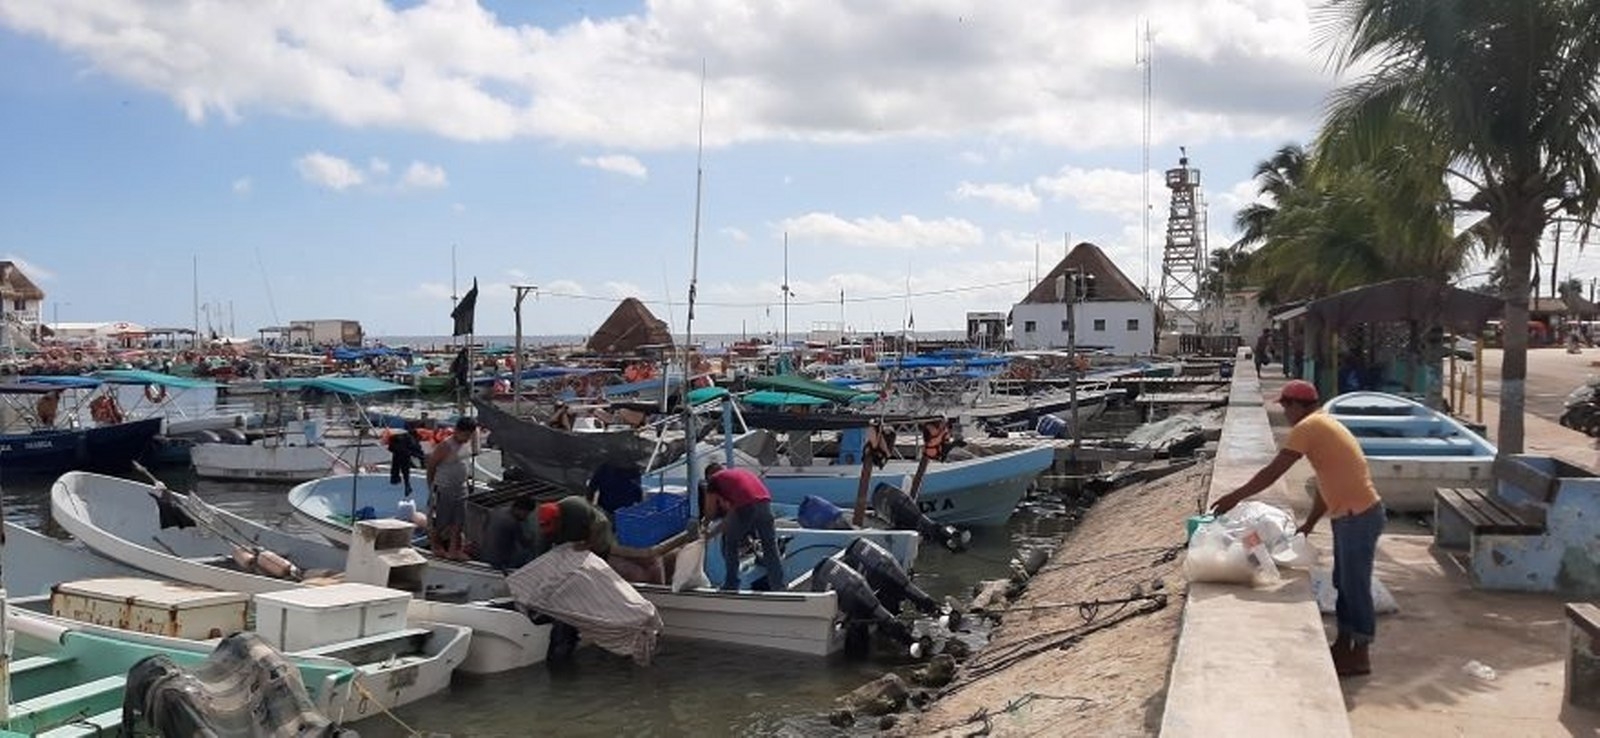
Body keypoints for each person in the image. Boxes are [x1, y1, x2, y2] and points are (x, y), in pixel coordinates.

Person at [1210, 379, 1384, 677]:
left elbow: (1272, 473)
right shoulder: (1323, 424)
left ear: (1296, 405)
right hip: (1352, 515)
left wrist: (1233, 497)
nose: (1285, 413)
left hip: (1359, 516)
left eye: (1286, 406)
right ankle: (1344, 646)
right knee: (1344, 582)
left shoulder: (1308, 428)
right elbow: (1324, 484)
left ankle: (1361, 654)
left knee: (1355, 586)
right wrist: (1310, 524)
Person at [702, 462, 784, 592]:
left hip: (746, 507)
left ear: (708, 477)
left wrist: (705, 526)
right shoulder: (739, 474)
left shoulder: (714, 480)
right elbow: (731, 515)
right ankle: (779, 586)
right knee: (770, 547)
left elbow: (710, 512)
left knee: (730, 543)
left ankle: (731, 584)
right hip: (765, 503)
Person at [426, 416, 478, 561]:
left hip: (461, 487)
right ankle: (436, 546)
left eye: (469, 435)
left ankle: (454, 549)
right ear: (457, 431)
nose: (467, 438)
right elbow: (431, 466)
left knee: (458, 521)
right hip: (444, 487)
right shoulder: (445, 446)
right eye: (465, 434)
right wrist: (431, 486)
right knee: (440, 520)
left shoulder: (467, 443)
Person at [536, 495, 614, 558]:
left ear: (558, 519)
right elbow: (544, 542)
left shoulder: (576, 514)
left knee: (599, 549)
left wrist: (587, 545)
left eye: (553, 525)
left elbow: (596, 527)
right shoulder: (546, 521)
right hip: (575, 530)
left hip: (596, 524)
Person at [481, 496, 538, 571]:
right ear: (520, 509)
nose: (526, 516)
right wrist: (533, 538)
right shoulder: (512, 522)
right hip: (500, 561)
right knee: (528, 554)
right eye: (526, 513)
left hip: (485, 554)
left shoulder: (496, 511)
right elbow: (524, 543)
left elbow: (484, 527)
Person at [388, 421, 426, 495]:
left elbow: (391, 447)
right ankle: (405, 484)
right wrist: (421, 458)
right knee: (405, 470)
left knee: (396, 466)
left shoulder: (399, 437)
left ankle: (395, 479)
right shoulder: (410, 438)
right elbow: (416, 450)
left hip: (398, 453)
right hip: (404, 454)